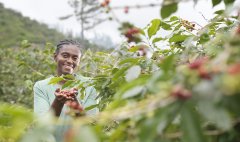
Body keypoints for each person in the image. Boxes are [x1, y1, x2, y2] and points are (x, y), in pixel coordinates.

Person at [33, 39, 98, 119]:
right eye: (65, 56)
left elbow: (91, 125)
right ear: (55, 57)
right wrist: (58, 102)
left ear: (79, 61)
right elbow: (42, 124)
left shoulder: (90, 85)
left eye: (75, 58)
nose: (70, 61)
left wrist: (74, 102)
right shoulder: (41, 86)